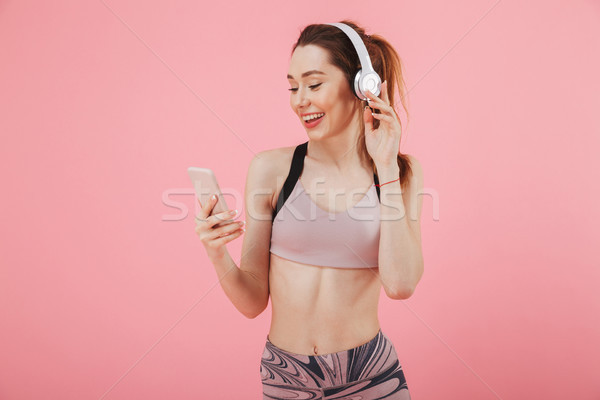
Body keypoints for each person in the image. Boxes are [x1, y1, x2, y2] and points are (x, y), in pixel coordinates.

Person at [195, 20, 423, 400]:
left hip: (370, 377)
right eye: (292, 86)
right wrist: (216, 252)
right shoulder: (272, 170)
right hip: (287, 377)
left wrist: (384, 166)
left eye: (314, 84)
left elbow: (401, 286)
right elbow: (252, 301)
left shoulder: (400, 173)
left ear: (359, 86)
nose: (300, 99)